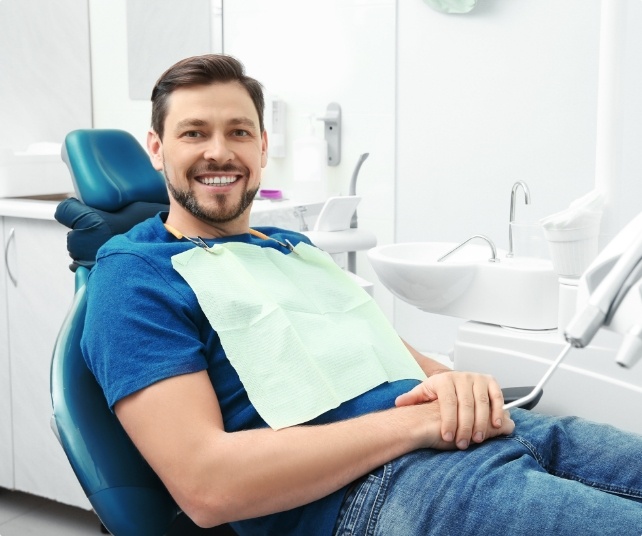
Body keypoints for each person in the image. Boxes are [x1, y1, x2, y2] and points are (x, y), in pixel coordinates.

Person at [82, 54, 642, 536]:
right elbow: (207, 485)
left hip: (492, 438)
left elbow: (393, 357)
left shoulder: (292, 247)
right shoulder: (133, 277)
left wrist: (454, 382)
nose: (219, 151)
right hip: (378, 490)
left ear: (262, 146)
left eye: (239, 131)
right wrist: (417, 424)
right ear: (156, 148)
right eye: (194, 133)